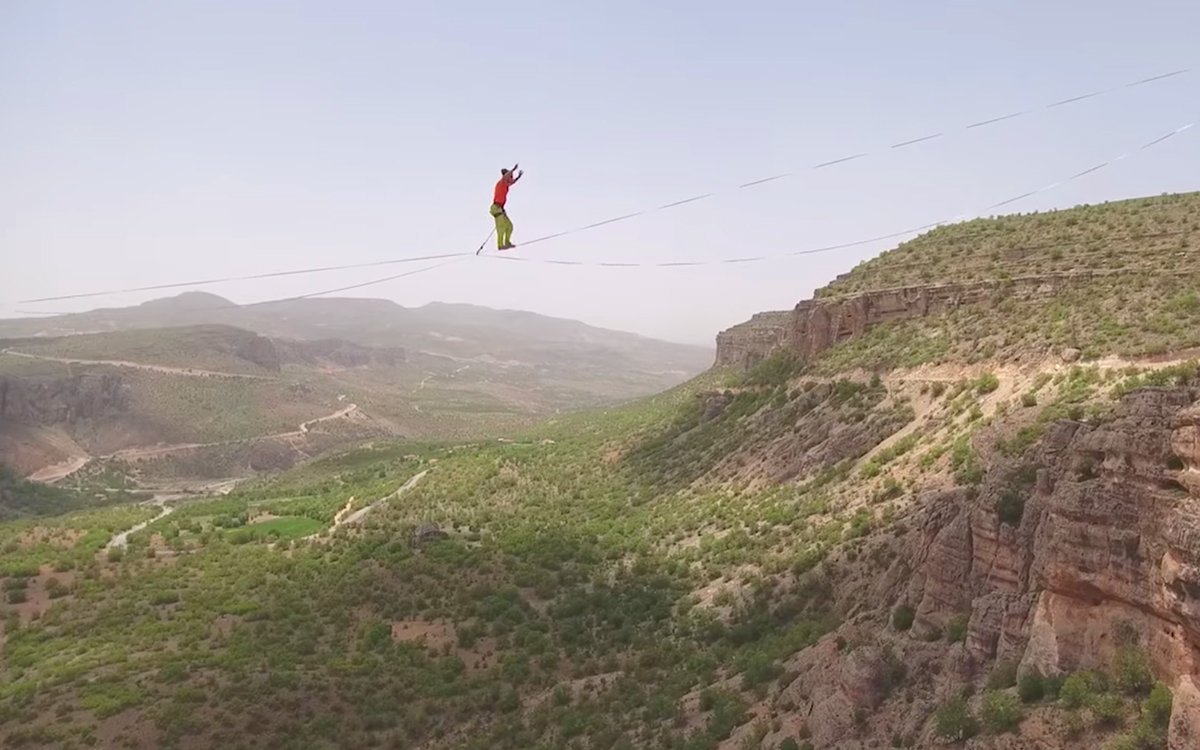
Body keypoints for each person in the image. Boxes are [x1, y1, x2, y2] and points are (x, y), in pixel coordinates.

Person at [490, 164, 523, 250]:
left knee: (509, 226)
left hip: (500, 209)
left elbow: (512, 182)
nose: (511, 178)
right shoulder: (501, 182)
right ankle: (500, 245)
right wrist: (513, 169)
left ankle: (507, 242)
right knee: (501, 227)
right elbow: (506, 177)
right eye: (510, 176)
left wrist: (518, 177)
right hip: (496, 208)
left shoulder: (506, 185)